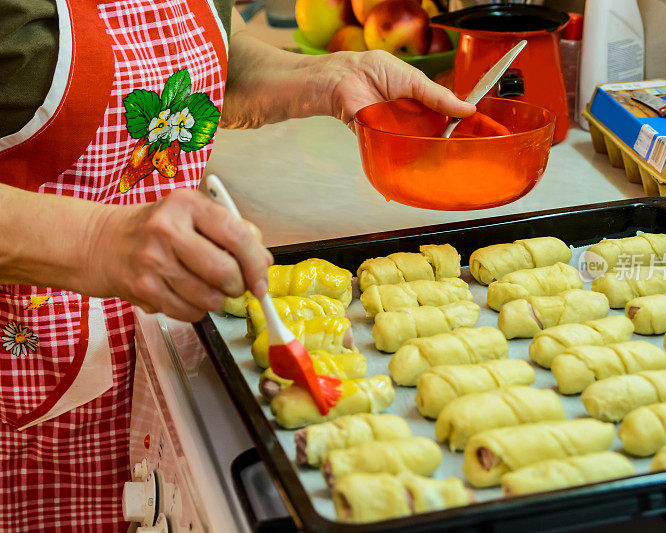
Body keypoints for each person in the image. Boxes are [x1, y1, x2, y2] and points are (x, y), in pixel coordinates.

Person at [0, 1, 474, 529]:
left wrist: (325, 76)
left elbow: (200, 47)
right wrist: (95, 241)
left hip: (174, 338)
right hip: (28, 379)